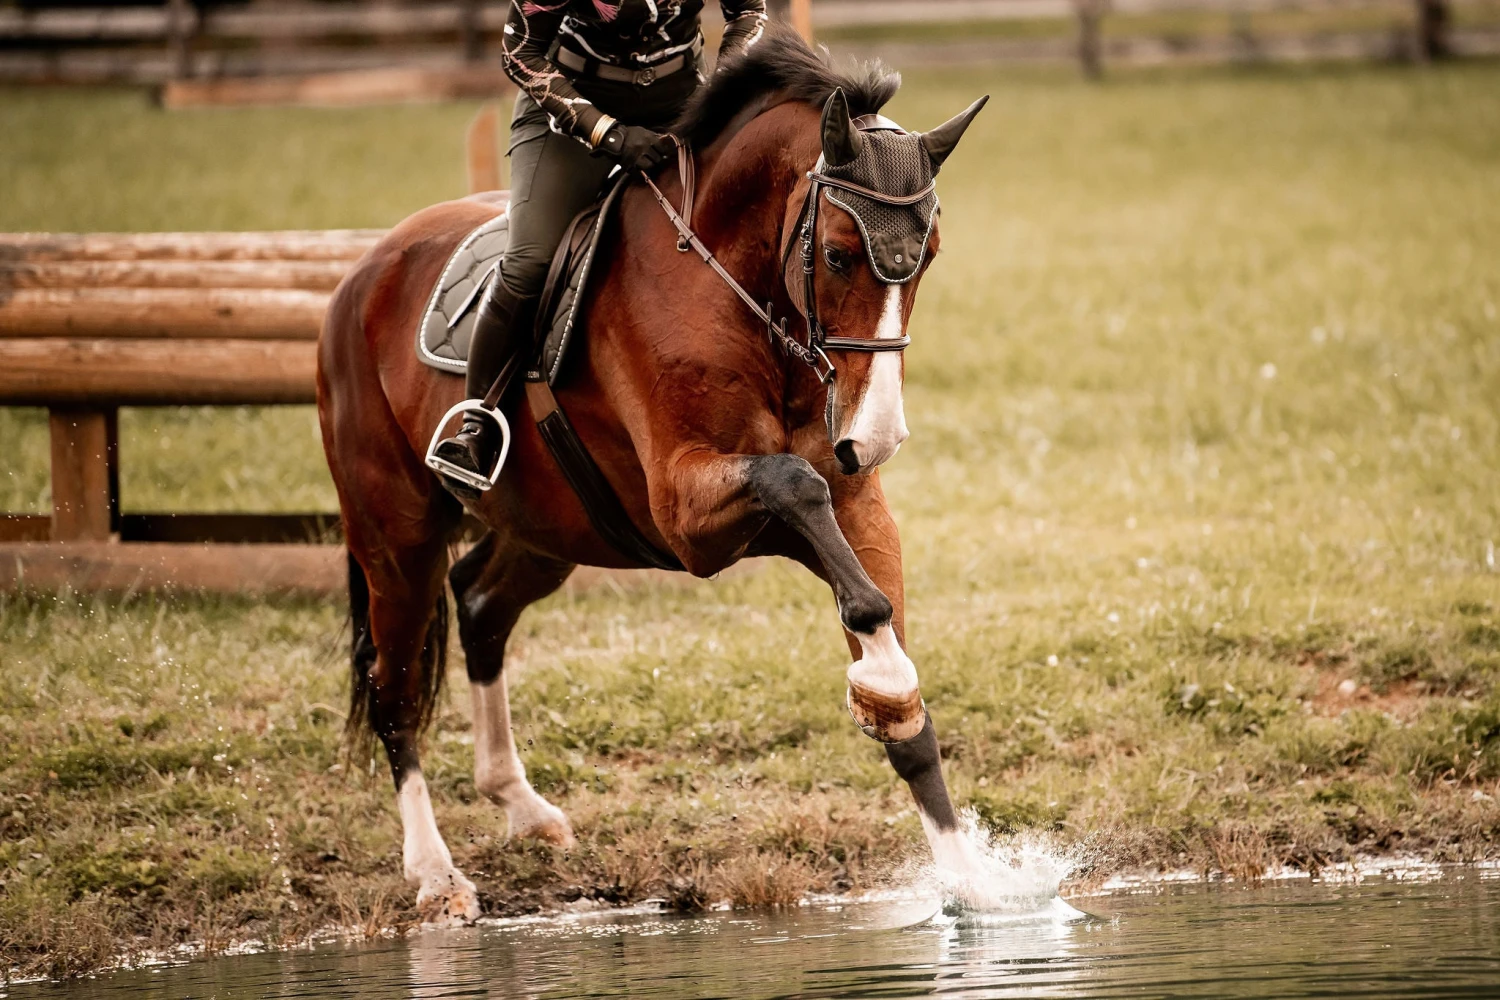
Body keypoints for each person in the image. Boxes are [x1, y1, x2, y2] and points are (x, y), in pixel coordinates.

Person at [432, 0, 769, 490]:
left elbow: (750, 11)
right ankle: (477, 422)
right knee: (531, 260)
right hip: (572, 106)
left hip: (682, 98)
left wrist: (724, 88)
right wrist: (606, 133)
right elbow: (520, 51)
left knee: (749, 224)